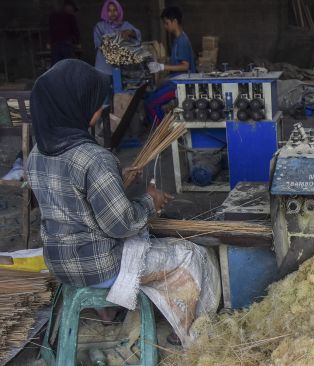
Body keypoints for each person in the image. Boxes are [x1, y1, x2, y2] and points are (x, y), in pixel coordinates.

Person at [25, 60, 219, 347]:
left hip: (60, 263)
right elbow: (121, 224)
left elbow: (74, 203)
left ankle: (107, 315)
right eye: (95, 102)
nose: (101, 107)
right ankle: (193, 337)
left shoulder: (37, 154)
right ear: (74, 105)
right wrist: (149, 202)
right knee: (193, 255)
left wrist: (114, 181)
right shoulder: (94, 158)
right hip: (101, 267)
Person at [144, 6, 196, 125]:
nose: (165, 26)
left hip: (180, 85)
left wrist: (162, 67)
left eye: (166, 23)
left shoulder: (182, 41)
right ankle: (163, 130)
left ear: (175, 22)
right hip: (176, 81)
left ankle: (164, 135)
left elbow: (185, 66)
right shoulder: (178, 40)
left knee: (150, 104)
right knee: (150, 96)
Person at [94, 0, 142, 75]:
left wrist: (130, 32)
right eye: (109, 10)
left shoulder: (125, 25)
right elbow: (98, 44)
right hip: (103, 67)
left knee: (120, 85)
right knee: (105, 85)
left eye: (115, 10)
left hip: (122, 68)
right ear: (105, 12)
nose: (112, 13)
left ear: (119, 10)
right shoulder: (100, 26)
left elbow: (137, 34)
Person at [49, 0, 80, 64]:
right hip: (65, 43)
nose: (72, 11)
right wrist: (77, 41)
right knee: (68, 64)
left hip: (56, 44)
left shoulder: (54, 16)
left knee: (57, 65)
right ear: (67, 7)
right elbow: (75, 31)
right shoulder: (70, 17)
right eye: (72, 9)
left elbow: (51, 30)